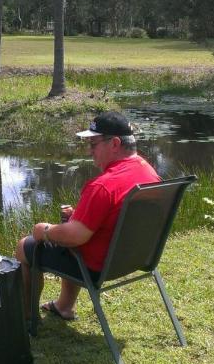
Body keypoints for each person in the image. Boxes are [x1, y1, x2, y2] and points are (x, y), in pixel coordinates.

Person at [15, 111, 160, 322]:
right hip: (135, 258)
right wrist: (79, 218)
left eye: (94, 144)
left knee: (24, 246)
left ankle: (27, 318)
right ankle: (64, 306)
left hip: (97, 267)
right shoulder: (147, 170)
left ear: (115, 143)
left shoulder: (103, 185)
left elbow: (75, 237)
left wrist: (44, 231)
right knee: (70, 225)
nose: (89, 150)